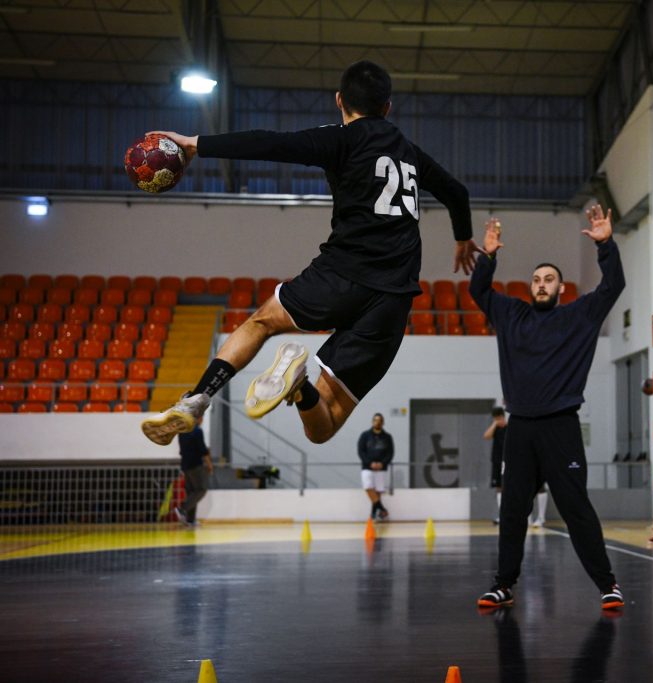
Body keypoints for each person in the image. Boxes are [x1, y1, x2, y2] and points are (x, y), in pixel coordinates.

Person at [141, 60, 479, 447]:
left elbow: (271, 143)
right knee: (324, 428)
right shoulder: (410, 152)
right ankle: (299, 387)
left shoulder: (341, 139)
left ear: (339, 101)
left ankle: (197, 399)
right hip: (392, 298)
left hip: (341, 275)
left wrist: (196, 143)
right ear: (388, 107)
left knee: (261, 323)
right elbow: (458, 192)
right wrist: (463, 237)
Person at [471, 205, 626, 612]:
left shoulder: (579, 316)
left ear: (561, 289)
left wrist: (606, 244)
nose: (542, 285)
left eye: (549, 280)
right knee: (513, 510)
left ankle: (608, 584)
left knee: (576, 509)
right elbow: (479, 292)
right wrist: (488, 256)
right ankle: (503, 585)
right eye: (537, 280)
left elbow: (613, 286)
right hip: (520, 428)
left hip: (560, 427)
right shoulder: (511, 314)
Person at [174, 415, 214, 528]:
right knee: (201, 489)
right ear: (198, 418)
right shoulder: (197, 431)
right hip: (196, 465)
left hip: (185, 466)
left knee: (192, 492)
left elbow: (182, 450)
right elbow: (202, 450)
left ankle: (190, 520)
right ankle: (182, 509)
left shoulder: (182, 432)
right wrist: (210, 464)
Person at [358, 412, 394, 521]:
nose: (377, 422)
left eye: (379, 420)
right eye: (375, 420)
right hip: (367, 467)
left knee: (378, 490)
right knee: (368, 487)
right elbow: (361, 451)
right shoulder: (365, 435)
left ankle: (373, 514)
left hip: (381, 468)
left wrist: (382, 463)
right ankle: (382, 509)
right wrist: (370, 463)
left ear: (382, 423)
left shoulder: (387, 437)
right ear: (372, 421)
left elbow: (390, 453)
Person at [483, 406, 507, 524]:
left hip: (507, 462)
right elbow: (486, 436)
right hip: (496, 461)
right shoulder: (495, 429)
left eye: (499, 418)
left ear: (502, 416)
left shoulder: (509, 428)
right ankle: (501, 514)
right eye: (495, 418)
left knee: (510, 487)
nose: (498, 420)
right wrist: (494, 424)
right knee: (498, 487)